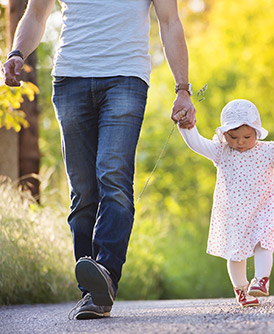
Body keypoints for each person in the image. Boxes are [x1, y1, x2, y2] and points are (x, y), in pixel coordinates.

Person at [2, 0, 196, 319]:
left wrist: (183, 89)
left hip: (126, 77)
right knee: (82, 192)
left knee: (113, 176)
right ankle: (93, 292)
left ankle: (104, 274)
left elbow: (170, 22)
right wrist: (16, 53)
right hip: (69, 79)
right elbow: (35, 15)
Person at [176, 99, 274, 307]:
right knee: (235, 252)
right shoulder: (221, 151)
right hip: (233, 213)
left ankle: (261, 279)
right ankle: (241, 290)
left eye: (247, 136)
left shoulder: (267, 151)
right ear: (224, 134)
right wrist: (187, 128)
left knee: (263, 242)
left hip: (262, 209)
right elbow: (198, 144)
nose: (240, 142)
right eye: (233, 137)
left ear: (257, 132)